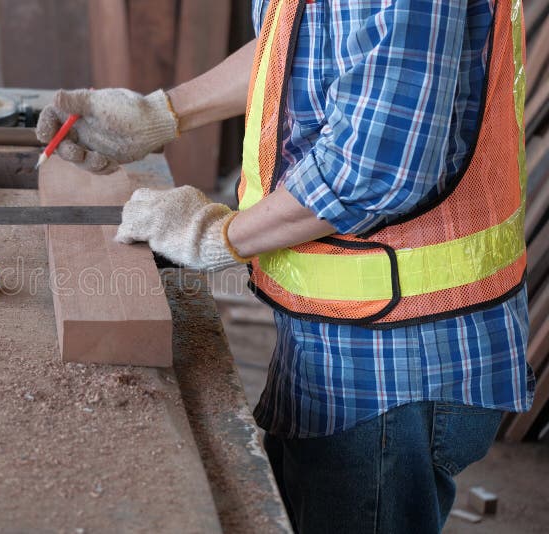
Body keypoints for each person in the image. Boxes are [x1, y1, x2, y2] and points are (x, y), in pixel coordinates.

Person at [36, 1, 534, 532]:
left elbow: (372, 169)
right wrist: (163, 112)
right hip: (346, 328)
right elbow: (303, 47)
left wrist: (215, 234)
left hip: (398, 356)